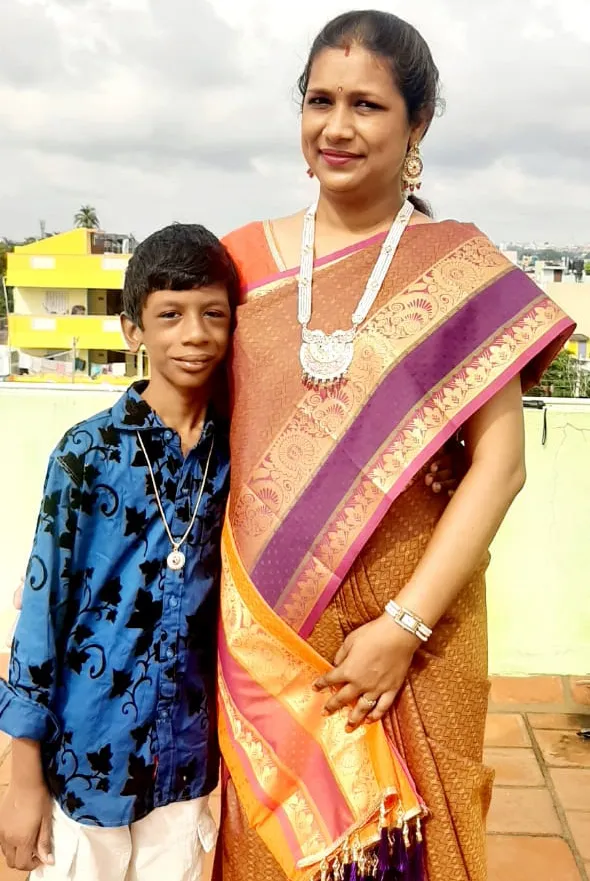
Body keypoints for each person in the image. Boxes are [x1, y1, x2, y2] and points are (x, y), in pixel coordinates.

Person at [214, 10, 575, 881]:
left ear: (417, 125)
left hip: (419, 631)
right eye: (319, 100)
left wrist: (402, 628)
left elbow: (502, 464)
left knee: (419, 842)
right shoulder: (238, 264)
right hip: (268, 638)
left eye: (367, 105)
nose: (337, 126)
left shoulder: (462, 270)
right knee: (267, 850)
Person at [0, 223, 239, 881]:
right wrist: (23, 781)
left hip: (185, 763)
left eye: (212, 314)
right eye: (170, 315)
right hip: (86, 757)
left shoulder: (239, 457)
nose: (193, 333)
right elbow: (40, 619)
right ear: (135, 330)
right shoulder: (87, 456)